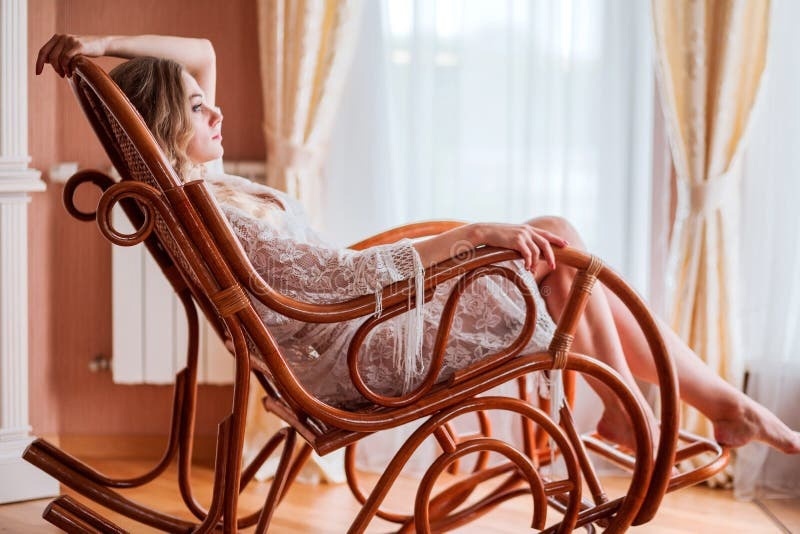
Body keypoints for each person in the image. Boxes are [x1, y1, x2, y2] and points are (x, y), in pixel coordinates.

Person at [36, 33, 800, 455]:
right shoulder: (208, 207)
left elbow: (203, 48)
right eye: (199, 109)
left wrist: (100, 46)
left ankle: (696, 408)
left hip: (352, 328)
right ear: (167, 127)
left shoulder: (205, 192)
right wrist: (473, 236)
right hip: (352, 356)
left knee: (562, 252)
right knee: (561, 249)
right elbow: (337, 279)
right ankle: (654, 413)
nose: (217, 114)